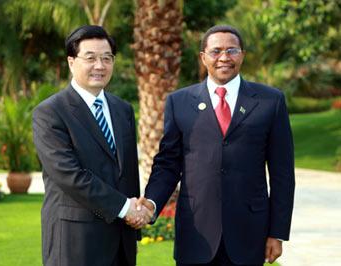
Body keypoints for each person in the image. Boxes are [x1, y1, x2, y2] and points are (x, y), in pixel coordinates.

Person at [137, 25, 295, 266]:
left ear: (242, 54)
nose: (224, 57)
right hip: (195, 233)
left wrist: (278, 232)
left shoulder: (270, 101)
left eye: (232, 50)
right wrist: (151, 202)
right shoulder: (179, 102)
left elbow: (282, 173)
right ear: (203, 57)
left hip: (249, 233)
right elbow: (168, 164)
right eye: (216, 51)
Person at [33, 25, 151, 266]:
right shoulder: (50, 112)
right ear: (71, 61)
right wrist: (124, 207)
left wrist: (134, 222)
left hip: (121, 239)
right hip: (75, 241)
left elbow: (126, 172)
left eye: (107, 58)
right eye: (91, 58)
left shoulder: (123, 110)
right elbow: (69, 175)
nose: (100, 66)